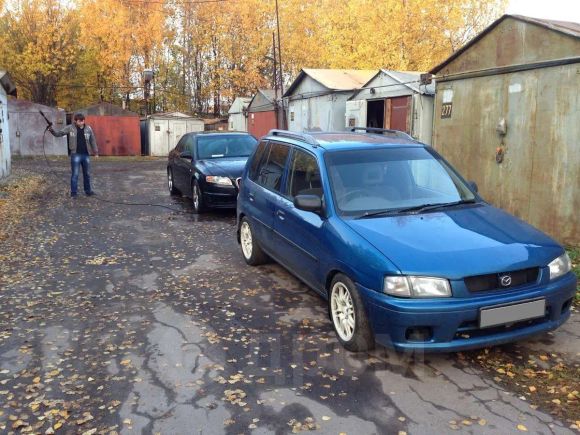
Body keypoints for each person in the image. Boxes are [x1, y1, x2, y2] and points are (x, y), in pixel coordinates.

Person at [49, 113, 99, 197]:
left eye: (83, 121)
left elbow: (92, 140)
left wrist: (96, 152)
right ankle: (73, 193)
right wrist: (51, 130)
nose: (82, 122)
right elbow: (59, 134)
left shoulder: (88, 128)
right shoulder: (70, 128)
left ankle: (88, 191)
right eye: (80, 121)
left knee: (87, 174)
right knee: (75, 174)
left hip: (86, 155)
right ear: (75, 121)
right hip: (75, 155)